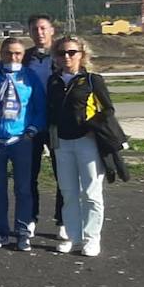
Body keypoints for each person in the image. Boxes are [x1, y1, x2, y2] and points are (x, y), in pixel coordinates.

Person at [47, 35, 112, 257]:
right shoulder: (54, 81)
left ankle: (92, 238)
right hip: (62, 144)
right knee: (68, 192)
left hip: (87, 142)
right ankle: (72, 236)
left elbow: (108, 110)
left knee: (92, 193)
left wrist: (93, 126)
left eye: (72, 52)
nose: (67, 57)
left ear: (82, 55)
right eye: (61, 53)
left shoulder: (93, 80)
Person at [0, 37, 46, 252]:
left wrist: (32, 131)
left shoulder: (30, 78)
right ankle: (1, 231)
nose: (13, 57)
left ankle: (22, 232)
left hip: (21, 140)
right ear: (1, 53)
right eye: (9, 53)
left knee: (23, 189)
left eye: (18, 54)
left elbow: (40, 108)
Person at [23, 14, 59, 239]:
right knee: (29, 175)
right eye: (35, 29)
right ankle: (30, 218)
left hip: (57, 123)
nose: (40, 33)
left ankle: (63, 221)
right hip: (33, 123)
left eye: (43, 28)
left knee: (62, 175)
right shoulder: (24, 57)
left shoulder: (64, 54)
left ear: (52, 30)